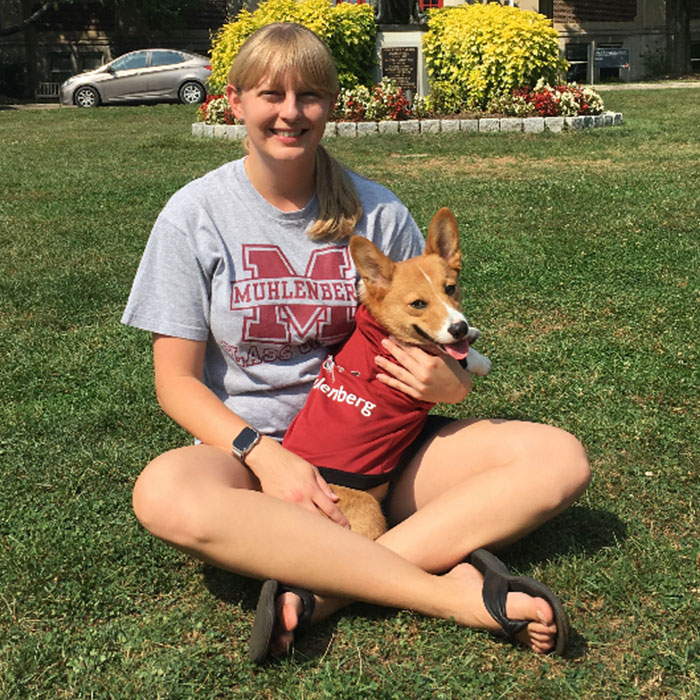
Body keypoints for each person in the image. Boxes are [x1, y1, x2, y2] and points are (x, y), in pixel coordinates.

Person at [122, 22, 590, 662]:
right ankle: (450, 591)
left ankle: (320, 593)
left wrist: (455, 382)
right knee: (163, 492)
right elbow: (174, 382)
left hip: (380, 448)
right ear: (233, 102)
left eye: (310, 95)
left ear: (332, 105)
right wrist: (265, 455)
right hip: (252, 453)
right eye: (270, 94)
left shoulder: (378, 212)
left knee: (558, 459)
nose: (291, 112)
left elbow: (427, 324)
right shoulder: (194, 216)